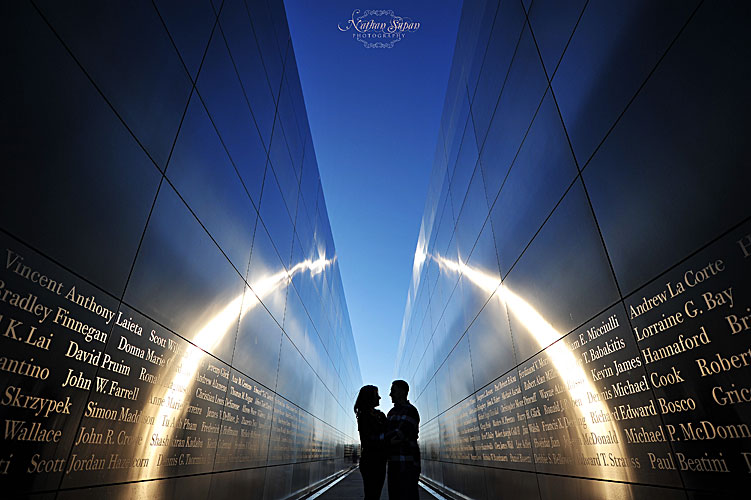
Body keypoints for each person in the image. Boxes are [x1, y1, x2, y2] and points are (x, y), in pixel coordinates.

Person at [384, 380, 420, 500]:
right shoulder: (391, 412)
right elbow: (390, 436)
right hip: (394, 465)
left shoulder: (411, 411)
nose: (390, 394)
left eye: (393, 391)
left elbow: (399, 435)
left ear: (402, 392)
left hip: (407, 466)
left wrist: (384, 440)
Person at [354, 385, 387, 499]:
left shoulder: (379, 415)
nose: (379, 398)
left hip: (379, 461)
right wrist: (387, 437)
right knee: (372, 495)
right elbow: (368, 439)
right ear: (369, 397)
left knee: (374, 495)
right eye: (376, 395)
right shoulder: (364, 416)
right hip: (371, 462)